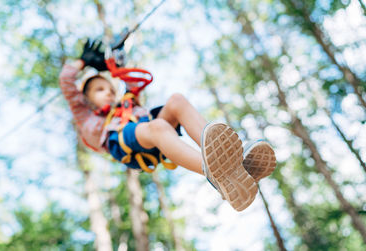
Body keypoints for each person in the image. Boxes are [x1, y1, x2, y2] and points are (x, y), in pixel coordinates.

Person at [59, 39, 276, 211]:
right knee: (159, 127)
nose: (107, 91)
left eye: (109, 88)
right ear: (86, 99)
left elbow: (132, 81)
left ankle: (234, 167)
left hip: (149, 133)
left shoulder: (127, 104)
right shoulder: (87, 117)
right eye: (99, 90)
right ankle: (217, 173)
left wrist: (118, 62)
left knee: (176, 101)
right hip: (126, 142)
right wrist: (83, 62)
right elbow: (66, 82)